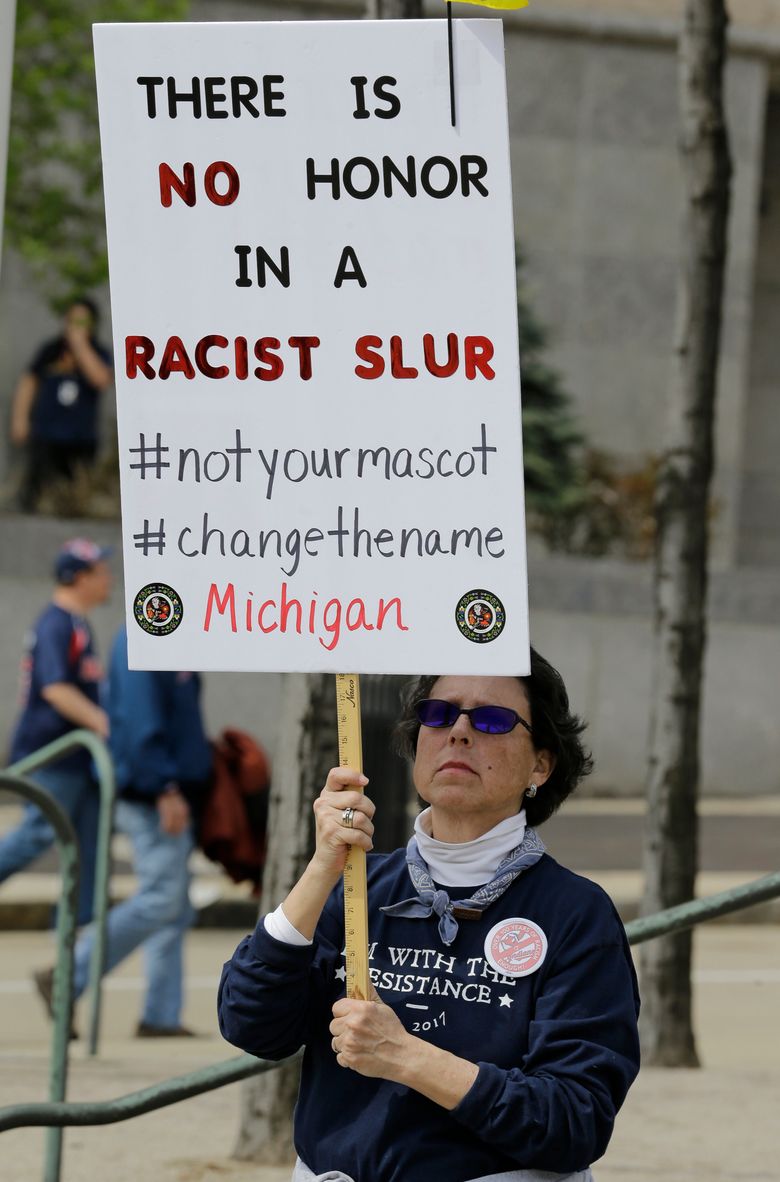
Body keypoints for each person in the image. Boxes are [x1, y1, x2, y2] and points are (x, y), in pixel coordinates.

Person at [218, 651, 640, 1182]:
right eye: (439, 714)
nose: (459, 732)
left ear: (541, 764)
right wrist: (323, 866)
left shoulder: (576, 913)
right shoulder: (355, 885)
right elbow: (249, 1024)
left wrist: (408, 1058)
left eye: (492, 720)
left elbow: (573, 1121)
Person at [42, 626, 213, 1037]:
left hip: (165, 790)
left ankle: (160, 1014)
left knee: (173, 907)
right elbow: (140, 722)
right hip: (151, 793)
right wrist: (163, 787)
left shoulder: (170, 633)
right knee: (162, 899)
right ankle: (67, 977)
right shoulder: (148, 632)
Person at [0, 538, 112, 926]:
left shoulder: (76, 624)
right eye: (100, 572)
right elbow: (55, 688)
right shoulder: (57, 624)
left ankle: (74, 938)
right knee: (38, 833)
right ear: (78, 577)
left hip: (77, 759)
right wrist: (102, 722)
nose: (108, 579)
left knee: (87, 850)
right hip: (55, 754)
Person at [10, 297, 113, 511]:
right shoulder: (50, 350)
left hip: (80, 437)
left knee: (75, 497)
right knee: (36, 494)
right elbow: (29, 383)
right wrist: (20, 419)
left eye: (82, 322)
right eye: (72, 320)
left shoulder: (98, 352)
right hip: (47, 434)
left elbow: (101, 379)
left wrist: (80, 346)